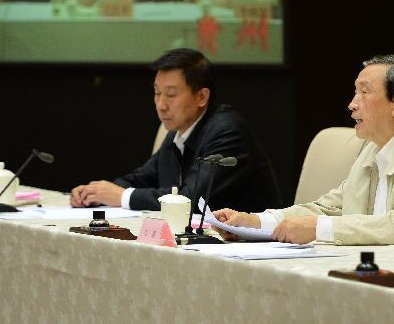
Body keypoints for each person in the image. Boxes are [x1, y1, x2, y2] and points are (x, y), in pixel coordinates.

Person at [214, 55, 394, 256]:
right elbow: (332, 208)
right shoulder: (374, 148)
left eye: (364, 93)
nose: (352, 105)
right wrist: (254, 222)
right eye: (354, 93)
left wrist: (317, 229)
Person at [70, 48, 282, 212]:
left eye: (170, 94)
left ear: (201, 97)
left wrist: (122, 197)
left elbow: (190, 199)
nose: (161, 104)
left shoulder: (228, 131)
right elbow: (143, 177)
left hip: (251, 247)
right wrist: (96, 192)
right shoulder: (179, 131)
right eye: (157, 93)